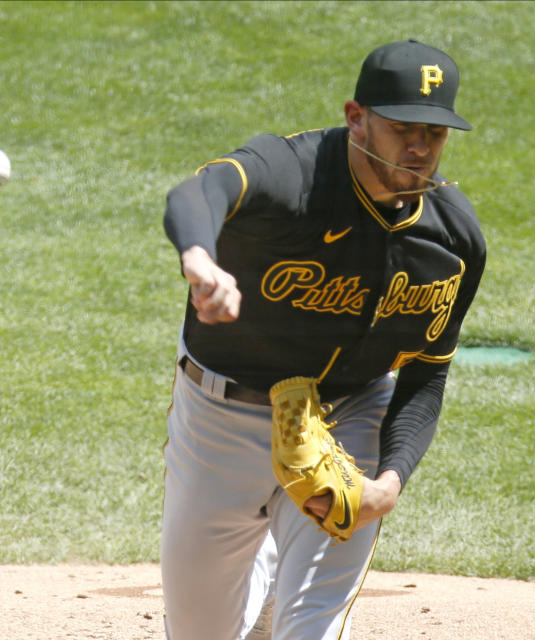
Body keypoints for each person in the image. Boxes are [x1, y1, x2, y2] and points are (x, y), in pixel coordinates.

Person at [160, 39, 486, 640]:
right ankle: (263, 572)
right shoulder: (293, 173)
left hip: (351, 413)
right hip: (220, 418)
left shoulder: (452, 241)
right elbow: (197, 192)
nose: (419, 147)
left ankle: (283, 587)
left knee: (312, 627)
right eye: (402, 128)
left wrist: (387, 487)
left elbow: (426, 374)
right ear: (355, 117)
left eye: (435, 135)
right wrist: (200, 260)